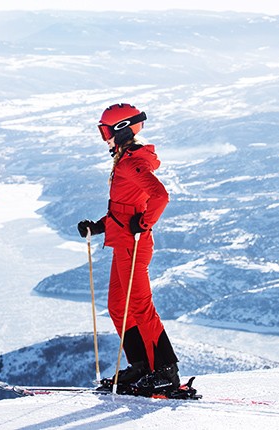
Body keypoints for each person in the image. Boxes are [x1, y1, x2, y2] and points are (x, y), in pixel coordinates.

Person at [77, 103, 180, 395]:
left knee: (140, 307)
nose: (104, 137)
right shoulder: (125, 159)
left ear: (121, 130)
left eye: (105, 131)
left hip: (133, 245)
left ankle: (165, 372)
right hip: (122, 242)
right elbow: (124, 210)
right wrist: (99, 226)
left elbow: (160, 196)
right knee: (118, 306)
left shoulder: (130, 162)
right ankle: (142, 365)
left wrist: (143, 224)